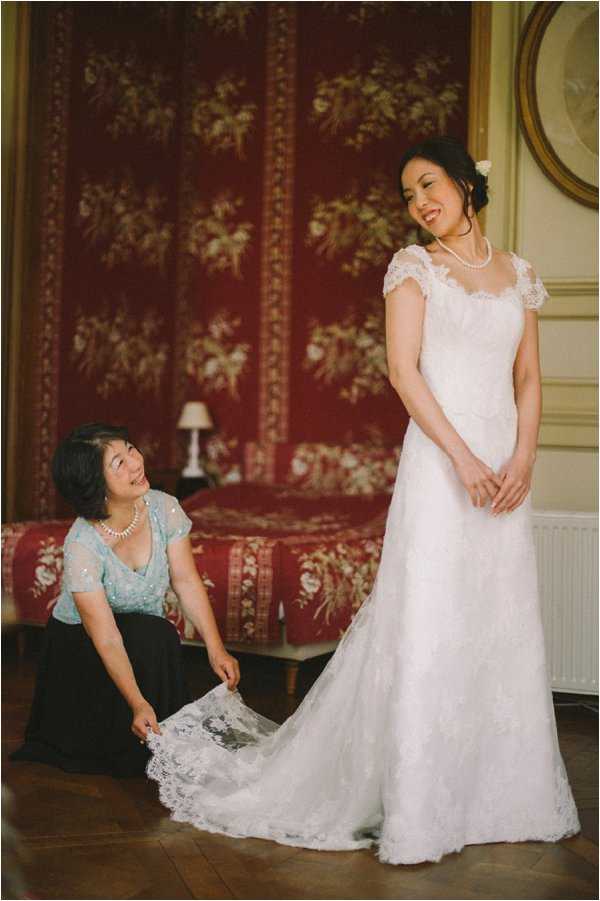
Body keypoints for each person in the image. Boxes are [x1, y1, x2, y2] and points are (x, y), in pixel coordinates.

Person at [144, 136, 581, 865]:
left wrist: (523, 456)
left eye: (430, 184)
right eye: (409, 195)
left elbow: (530, 378)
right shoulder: (413, 269)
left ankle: (506, 797)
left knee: (499, 616)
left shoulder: (520, 275)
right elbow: (405, 375)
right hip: (444, 466)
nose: (421, 204)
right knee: (433, 613)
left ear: (466, 185)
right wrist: (466, 457)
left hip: (507, 468)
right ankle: (421, 805)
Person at [10, 423, 240, 777]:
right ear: (95, 486)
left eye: (130, 448)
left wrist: (216, 648)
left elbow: (186, 580)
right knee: (154, 635)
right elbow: (105, 636)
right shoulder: (83, 546)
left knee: (157, 633)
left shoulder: (165, 508)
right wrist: (137, 703)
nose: (136, 462)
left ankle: (159, 737)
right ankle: (127, 735)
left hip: (140, 634)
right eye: (118, 462)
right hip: (83, 650)